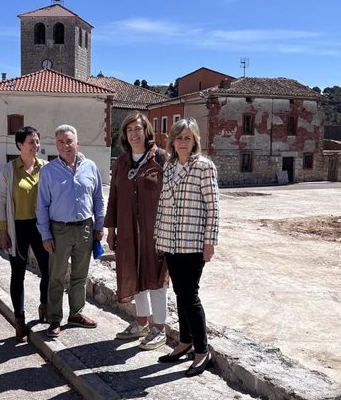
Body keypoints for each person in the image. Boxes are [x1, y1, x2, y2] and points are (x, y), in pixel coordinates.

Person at [154, 118, 219, 377]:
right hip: (170, 240)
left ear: (195, 142)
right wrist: (158, 237)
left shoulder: (204, 167)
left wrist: (210, 241)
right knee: (179, 294)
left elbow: (213, 206)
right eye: (179, 138)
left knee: (189, 295)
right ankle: (185, 341)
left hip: (193, 242)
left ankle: (203, 351)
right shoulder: (168, 167)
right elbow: (163, 205)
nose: (183, 142)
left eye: (188, 138)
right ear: (172, 141)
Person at [104, 113, 169, 350]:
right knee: (135, 274)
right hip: (129, 231)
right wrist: (111, 231)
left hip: (156, 231)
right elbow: (113, 197)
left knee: (156, 277)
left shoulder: (161, 159)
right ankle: (141, 322)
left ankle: (159, 328)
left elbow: (171, 196)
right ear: (125, 134)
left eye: (138, 129)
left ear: (147, 131)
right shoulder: (120, 162)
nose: (134, 133)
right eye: (129, 129)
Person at [36, 124, 105, 338]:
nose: (66, 145)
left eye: (69, 141)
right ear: (56, 145)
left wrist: (99, 225)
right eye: (61, 142)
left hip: (85, 229)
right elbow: (42, 206)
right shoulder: (48, 171)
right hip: (59, 231)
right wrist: (45, 234)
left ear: (77, 142)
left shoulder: (90, 167)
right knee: (56, 277)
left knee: (79, 276)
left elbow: (98, 199)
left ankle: (76, 314)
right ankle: (54, 318)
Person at [0, 126, 49, 342]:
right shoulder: (9, 170)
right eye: (31, 142)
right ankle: (19, 320)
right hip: (17, 227)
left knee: (48, 269)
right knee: (17, 274)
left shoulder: (45, 168)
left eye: (37, 141)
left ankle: (44, 307)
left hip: (40, 227)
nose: (36, 146)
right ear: (19, 145)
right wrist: (3, 231)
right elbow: (0, 199)